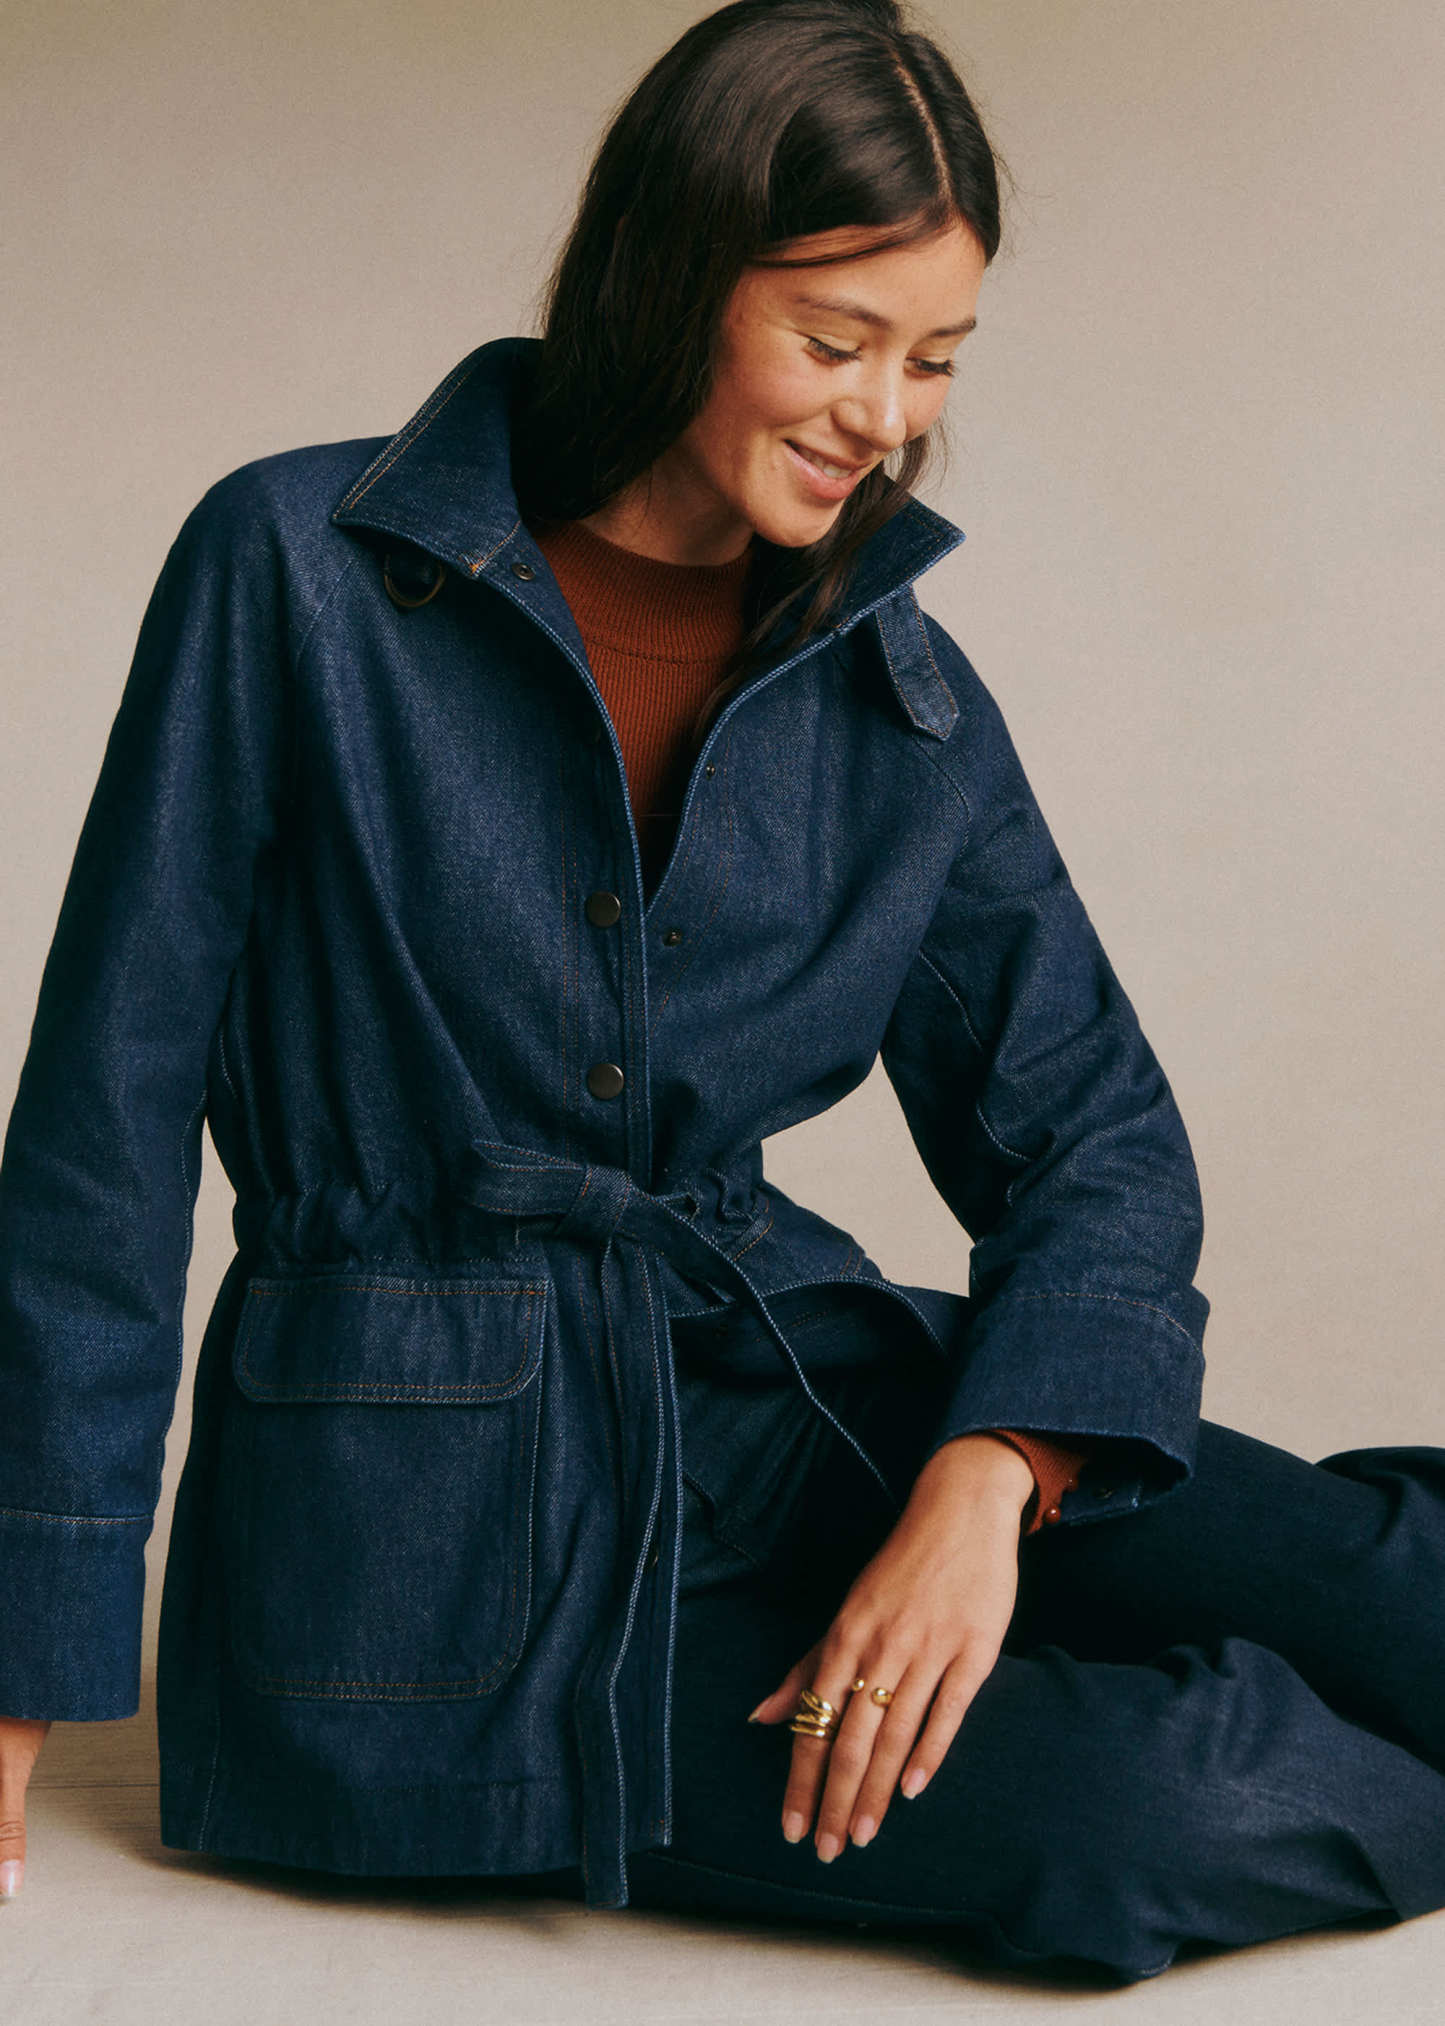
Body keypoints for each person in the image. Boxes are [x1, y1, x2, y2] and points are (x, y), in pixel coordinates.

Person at [0, 0, 1442, 1984]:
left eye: (935, 357)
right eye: (835, 341)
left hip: (788, 1394)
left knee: (1411, 1608)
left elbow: (1095, 1132)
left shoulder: (896, 696)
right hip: (438, 1558)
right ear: (671, 280)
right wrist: (20, 1661)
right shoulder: (297, 575)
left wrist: (988, 1481)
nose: (887, 417)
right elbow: (101, 1129)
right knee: (1171, 1806)